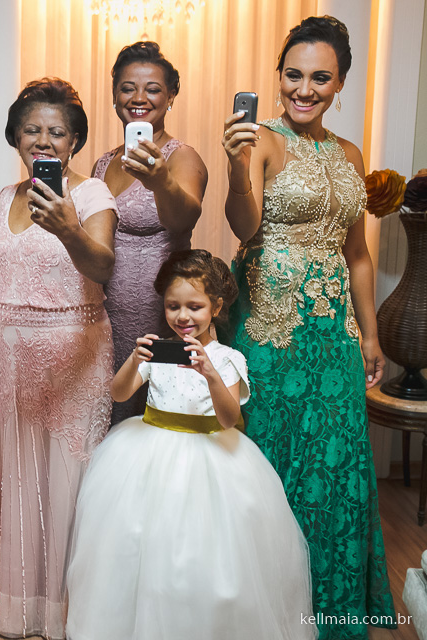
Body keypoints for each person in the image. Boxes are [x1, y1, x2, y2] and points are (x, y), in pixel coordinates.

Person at [222, 15, 394, 639]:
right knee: (271, 466)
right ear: (278, 76)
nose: (304, 89)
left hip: (335, 335)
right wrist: (239, 165)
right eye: (293, 74)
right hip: (273, 330)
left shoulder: (349, 154)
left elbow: (359, 254)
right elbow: (244, 227)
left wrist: (370, 335)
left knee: (337, 466)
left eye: (320, 78)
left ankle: (330, 610)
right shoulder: (262, 140)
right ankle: (265, 615)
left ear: (340, 82)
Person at [65, 250, 315, 640]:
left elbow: (229, 418)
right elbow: (119, 393)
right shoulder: (158, 352)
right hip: (147, 454)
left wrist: (209, 372)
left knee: (204, 555)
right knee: (140, 544)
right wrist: (134, 359)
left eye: (194, 307)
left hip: (211, 457)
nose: (183, 316)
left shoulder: (228, 359)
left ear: (216, 307)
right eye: (173, 306)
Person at [0, 78, 118, 640]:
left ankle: (65, 609)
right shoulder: (2, 198)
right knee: (18, 476)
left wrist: (68, 228)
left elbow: (103, 268)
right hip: (11, 358)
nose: (43, 140)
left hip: (74, 357)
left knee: (68, 480)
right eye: (31, 129)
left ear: (74, 142)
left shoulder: (92, 195)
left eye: (57, 132)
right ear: (14, 136)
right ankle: (19, 601)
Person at [91, 41, 208, 425]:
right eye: (127, 88)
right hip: (103, 318)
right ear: (114, 95)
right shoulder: (103, 163)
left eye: (153, 89)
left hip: (160, 318)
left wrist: (161, 182)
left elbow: (183, 220)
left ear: (171, 96)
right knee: (107, 417)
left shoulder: (181, 157)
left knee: (153, 423)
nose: (139, 98)